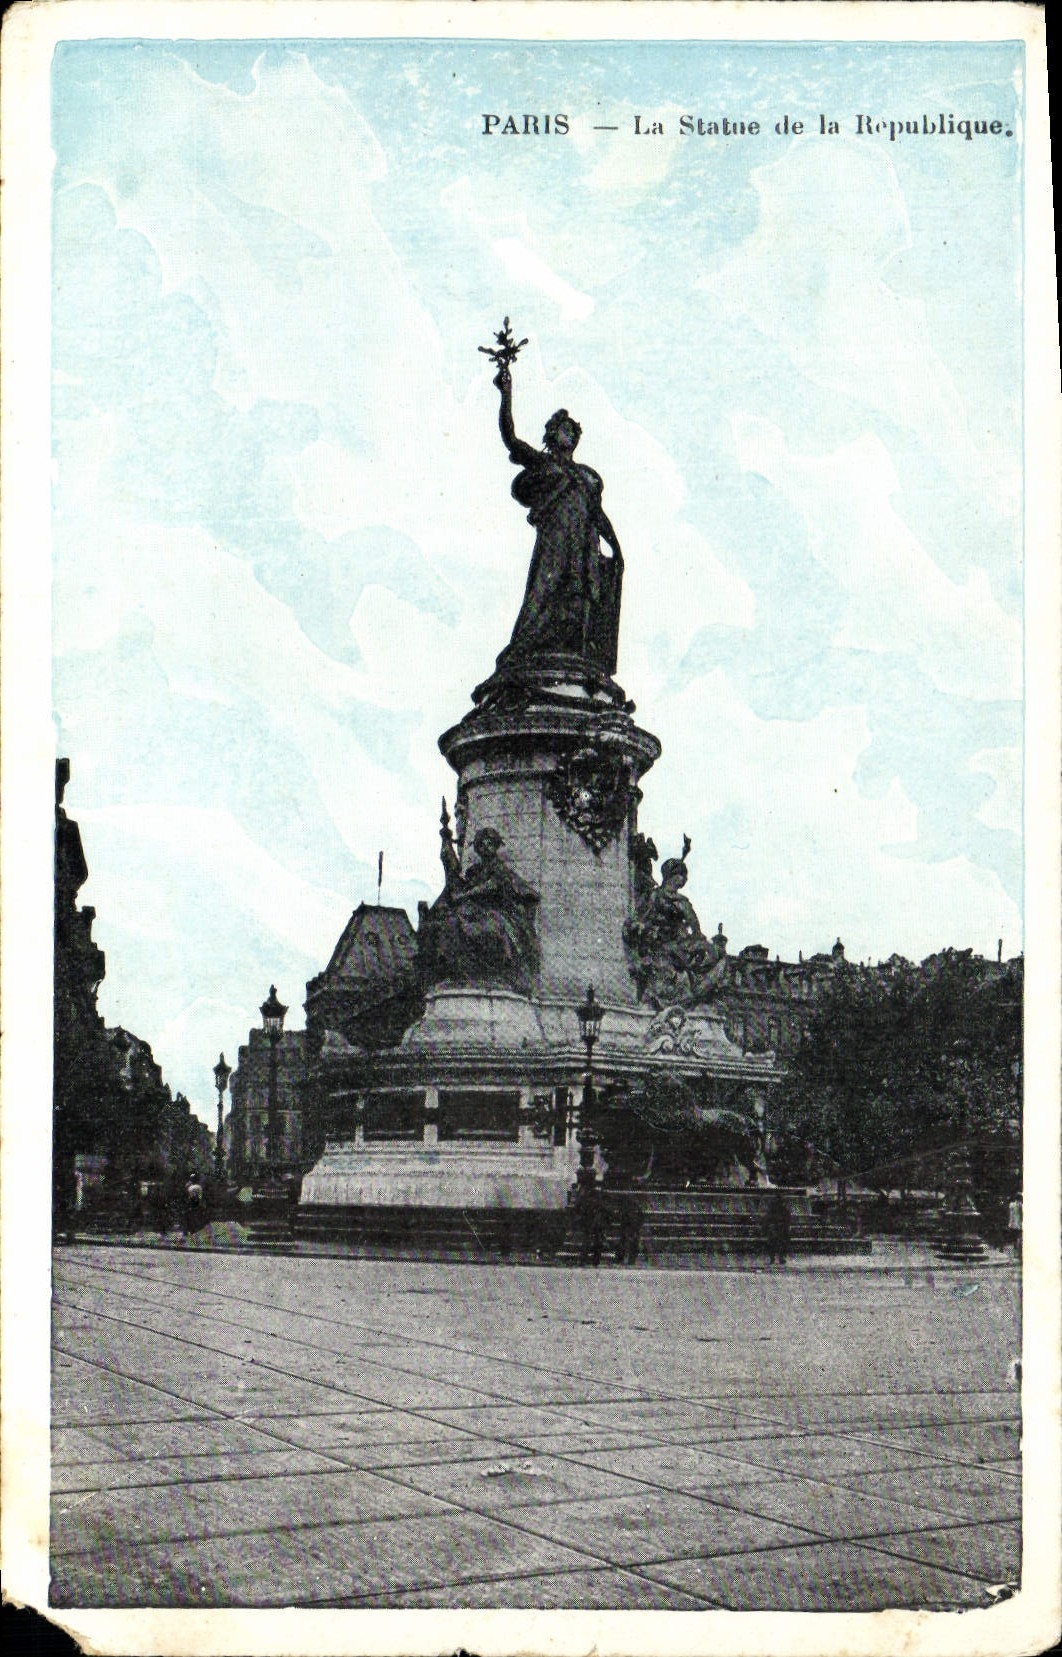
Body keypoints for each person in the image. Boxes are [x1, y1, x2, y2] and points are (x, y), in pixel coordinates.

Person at [493, 359, 624, 674]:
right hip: (556, 539)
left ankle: (574, 654)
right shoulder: (542, 464)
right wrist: (506, 393)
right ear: (553, 435)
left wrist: (615, 546)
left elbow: (597, 514)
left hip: (583, 542)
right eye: (566, 430)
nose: (572, 435)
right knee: (544, 587)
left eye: (574, 432)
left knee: (583, 596)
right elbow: (510, 438)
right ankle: (522, 647)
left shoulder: (586, 477)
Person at [763, 1189, 792, 1266]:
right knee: (777, 1241)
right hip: (777, 1226)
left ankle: (776, 1257)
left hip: (778, 1226)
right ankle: (777, 1257)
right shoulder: (779, 1208)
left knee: (777, 1242)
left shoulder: (779, 1208)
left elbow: (787, 1218)